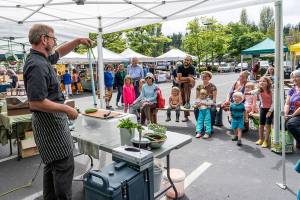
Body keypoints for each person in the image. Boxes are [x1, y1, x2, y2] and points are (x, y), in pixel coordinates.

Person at [23, 24, 92, 200]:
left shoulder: (42, 58)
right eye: (53, 39)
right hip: (50, 124)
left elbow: (59, 52)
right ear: (44, 39)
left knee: (52, 166)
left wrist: (77, 41)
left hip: (51, 122)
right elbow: (36, 102)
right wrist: (66, 108)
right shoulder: (36, 64)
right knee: (63, 164)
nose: (55, 43)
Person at [247, 76, 273, 148]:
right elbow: (253, 92)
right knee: (261, 125)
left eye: (264, 81)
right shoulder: (259, 90)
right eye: (260, 81)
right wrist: (247, 93)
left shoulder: (271, 91)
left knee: (267, 125)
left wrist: (270, 111)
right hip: (262, 108)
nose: (261, 82)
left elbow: (274, 103)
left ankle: (266, 141)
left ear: (268, 83)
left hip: (270, 109)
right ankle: (261, 139)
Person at [177, 56, 195, 122]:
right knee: (183, 100)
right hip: (181, 85)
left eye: (187, 60)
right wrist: (185, 79)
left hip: (188, 85)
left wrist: (181, 79)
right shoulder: (180, 67)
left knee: (187, 99)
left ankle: (186, 116)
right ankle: (186, 116)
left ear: (190, 61)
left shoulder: (192, 68)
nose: (186, 61)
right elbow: (179, 78)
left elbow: (189, 79)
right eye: (185, 59)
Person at [285, 70, 300, 148]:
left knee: (291, 124)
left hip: (298, 113)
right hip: (292, 111)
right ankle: (284, 145)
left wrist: (292, 115)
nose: (294, 79)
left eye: (296, 77)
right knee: (280, 121)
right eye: (293, 77)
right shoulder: (292, 89)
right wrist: (285, 114)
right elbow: (287, 104)